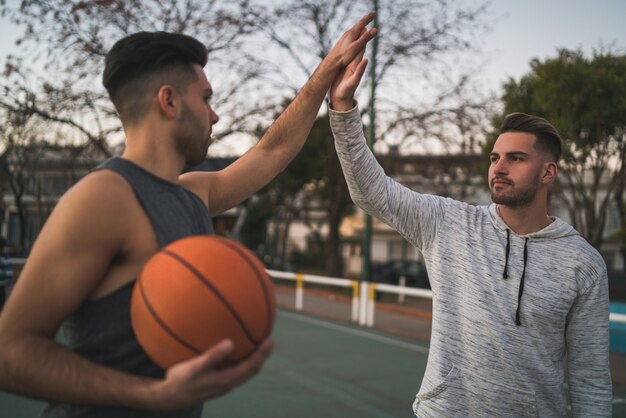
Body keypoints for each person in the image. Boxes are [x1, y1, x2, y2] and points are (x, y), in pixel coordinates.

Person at [0, 13, 377, 418]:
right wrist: (152, 395)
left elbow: (273, 150)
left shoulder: (195, 193)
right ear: (169, 101)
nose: (215, 115)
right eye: (207, 98)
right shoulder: (104, 197)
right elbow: (10, 352)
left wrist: (327, 74)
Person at [328, 49, 612, 416]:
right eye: (495, 158)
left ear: (548, 173)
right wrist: (343, 108)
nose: (499, 167)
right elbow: (371, 189)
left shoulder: (583, 264)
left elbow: (591, 381)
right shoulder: (448, 223)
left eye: (516, 158)